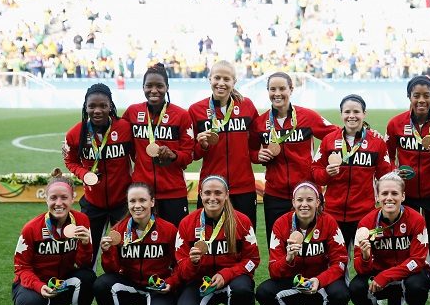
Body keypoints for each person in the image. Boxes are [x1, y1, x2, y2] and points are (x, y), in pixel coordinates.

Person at [255, 182, 350, 305]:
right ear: (293, 202)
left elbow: (340, 262)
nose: (304, 204)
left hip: (320, 283)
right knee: (263, 292)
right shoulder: (281, 224)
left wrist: (320, 280)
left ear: (318, 202)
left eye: (309, 200)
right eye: (299, 200)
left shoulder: (328, 222)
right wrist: (288, 259)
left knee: (342, 293)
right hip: (293, 283)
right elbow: (274, 271)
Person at [250, 72, 338, 244]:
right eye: (272, 89)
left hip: (307, 193)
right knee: (277, 246)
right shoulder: (260, 123)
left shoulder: (308, 116)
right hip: (275, 196)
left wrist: (321, 160)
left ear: (291, 89)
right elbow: (251, 151)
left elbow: (335, 135)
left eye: (282, 88)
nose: (277, 93)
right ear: (268, 91)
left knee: (312, 247)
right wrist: (257, 155)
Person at [174, 176, 260, 305]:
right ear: (200, 194)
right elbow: (181, 268)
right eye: (207, 193)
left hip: (233, 280)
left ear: (226, 195)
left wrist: (227, 274)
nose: (212, 198)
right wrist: (193, 263)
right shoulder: (187, 223)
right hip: (201, 282)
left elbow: (253, 260)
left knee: (242, 290)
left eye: (218, 193)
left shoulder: (241, 221)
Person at [13, 172, 95, 305]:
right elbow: (21, 267)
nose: (58, 203)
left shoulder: (81, 221)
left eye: (64, 197)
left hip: (62, 283)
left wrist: (86, 244)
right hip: (35, 284)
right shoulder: (31, 228)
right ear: (46, 199)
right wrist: (38, 286)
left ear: (73, 198)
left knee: (88, 277)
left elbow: (84, 264)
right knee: (32, 303)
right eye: (53, 198)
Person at [94, 182, 180, 305]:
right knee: (101, 284)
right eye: (132, 201)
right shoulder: (119, 230)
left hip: (157, 285)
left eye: (142, 200)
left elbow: (179, 264)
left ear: (152, 202)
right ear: (127, 204)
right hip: (130, 285)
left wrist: (171, 282)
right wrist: (107, 252)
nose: (137, 205)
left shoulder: (168, 229)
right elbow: (111, 270)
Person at [351, 173, 430, 305]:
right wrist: (365, 257)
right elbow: (359, 268)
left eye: (394, 193)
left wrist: (386, 276)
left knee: (418, 285)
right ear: (377, 197)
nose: (389, 198)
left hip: (407, 275)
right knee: (356, 288)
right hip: (378, 274)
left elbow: (418, 260)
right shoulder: (366, 223)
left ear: (403, 196)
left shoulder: (416, 219)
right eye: (384, 193)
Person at [385, 75, 430, 264]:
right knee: (407, 242)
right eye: (416, 95)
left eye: (426, 95)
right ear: (409, 96)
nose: (421, 100)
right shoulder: (395, 123)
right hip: (406, 194)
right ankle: (408, 278)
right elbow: (387, 156)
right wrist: (394, 172)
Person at [311, 94, 393, 250]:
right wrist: (327, 173)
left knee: (365, 256)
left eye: (356, 112)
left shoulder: (377, 142)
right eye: (347, 112)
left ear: (364, 114)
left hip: (364, 214)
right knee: (335, 258)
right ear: (341, 114)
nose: (351, 116)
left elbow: (386, 177)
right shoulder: (329, 140)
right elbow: (316, 173)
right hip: (333, 213)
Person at [63, 82, 133, 263]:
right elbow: (70, 161)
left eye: (103, 105)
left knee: (123, 252)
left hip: (122, 203)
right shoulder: (75, 133)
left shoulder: (124, 128)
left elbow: (138, 156)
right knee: (88, 252)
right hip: (93, 203)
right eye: (92, 106)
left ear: (111, 106)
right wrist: (83, 173)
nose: (97, 110)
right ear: (85, 107)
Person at [189, 60, 260, 229]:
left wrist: (259, 155)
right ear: (210, 79)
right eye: (217, 78)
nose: (221, 83)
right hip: (211, 189)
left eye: (226, 79)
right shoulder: (196, 110)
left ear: (234, 82)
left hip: (243, 187)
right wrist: (202, 145)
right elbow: (192, 154)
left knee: (245, 236)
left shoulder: (247, 106)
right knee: (210, 238)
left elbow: (256, 142)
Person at [123, 63, 194, 228]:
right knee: (143, 239)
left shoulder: (181, 115)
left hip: (173, 192)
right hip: (142, 193)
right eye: (149, 86)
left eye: (159, 86)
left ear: (167, 87)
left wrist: (173, 155)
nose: (154, 90)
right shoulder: (132, 112)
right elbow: (123, 141)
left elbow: (189, 155)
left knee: (175, 239)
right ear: (143, 87)